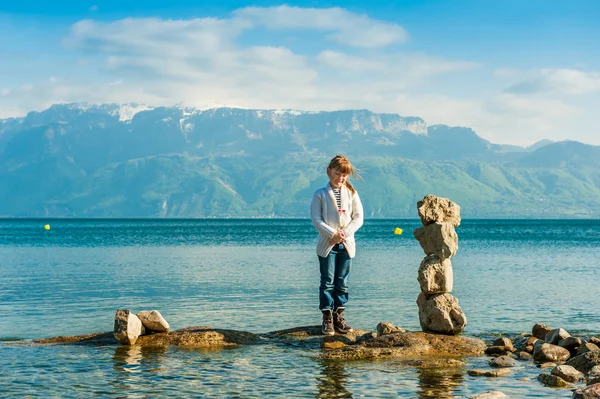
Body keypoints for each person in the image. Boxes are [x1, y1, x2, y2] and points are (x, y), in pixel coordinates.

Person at [310, 155, 364, 335]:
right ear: (329, 172)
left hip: (346, 244)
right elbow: (316, 220)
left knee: (343, 282)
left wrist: (344, 233)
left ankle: (339, 316)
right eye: (337, 174)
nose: (340, 178)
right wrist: (332, 234)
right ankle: (327, 317)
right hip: (327, 245)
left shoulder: (352, 193)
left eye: (343, 175)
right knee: (327, 282)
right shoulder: (320, 194)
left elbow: (358, 218)